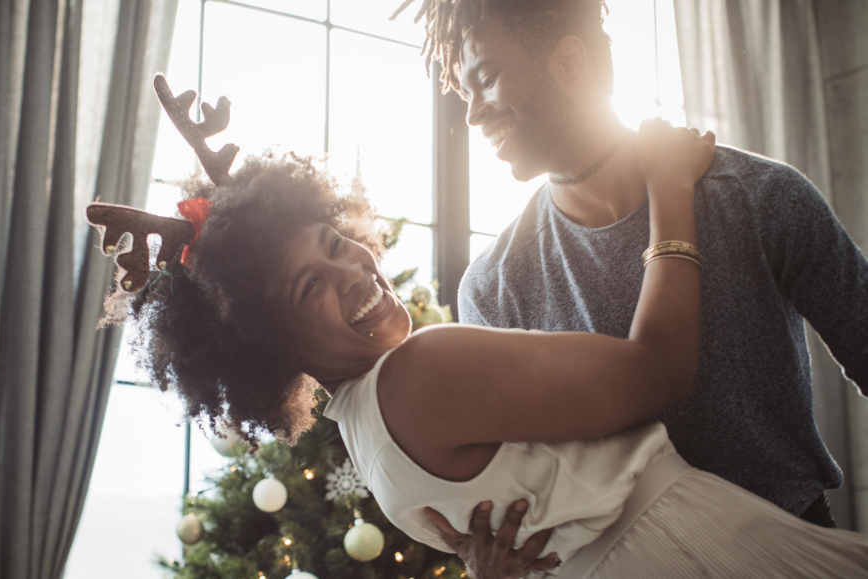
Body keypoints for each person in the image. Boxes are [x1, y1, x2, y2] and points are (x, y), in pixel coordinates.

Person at [94, 112, 868, 577]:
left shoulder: (363, 428)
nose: (352, 269)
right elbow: (657, 371)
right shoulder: (420, 372)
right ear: (272, 344)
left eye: (335, 242)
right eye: (309, 287)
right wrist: (670, 192)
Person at [389, 0, 868, 574]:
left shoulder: (759, 197)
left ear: (569, 63)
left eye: (485, 79)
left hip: (796, 554)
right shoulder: (492, 288)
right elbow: (525, 494)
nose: (470, 116)